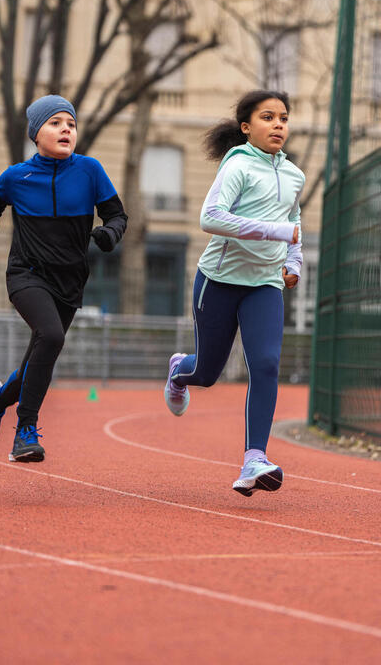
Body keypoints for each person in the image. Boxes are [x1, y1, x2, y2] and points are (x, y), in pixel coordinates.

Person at [164, 90, 305, 496]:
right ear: (247, 127)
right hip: (220, 280)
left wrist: (292, 263)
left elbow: (294, 220)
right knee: (207, 373)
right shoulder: (238, 165)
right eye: (267, 117)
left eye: (283, 118)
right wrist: (275, 232)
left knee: (266, 364)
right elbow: (210, 217)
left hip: (264, 284)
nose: (278, 124)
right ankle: (179, 370)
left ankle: (254, 458)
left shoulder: (294, 175)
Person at [0, 95, 127, 462]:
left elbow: (118, 216)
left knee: (40, 354)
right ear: (35, 134)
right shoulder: (16, 177)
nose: (66, 130)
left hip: (70, 281)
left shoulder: (90, 171)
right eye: (56, 123)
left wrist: (109, 234)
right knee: (51, 336)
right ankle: (25, 430)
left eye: (71, 124)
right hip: (26, 274)